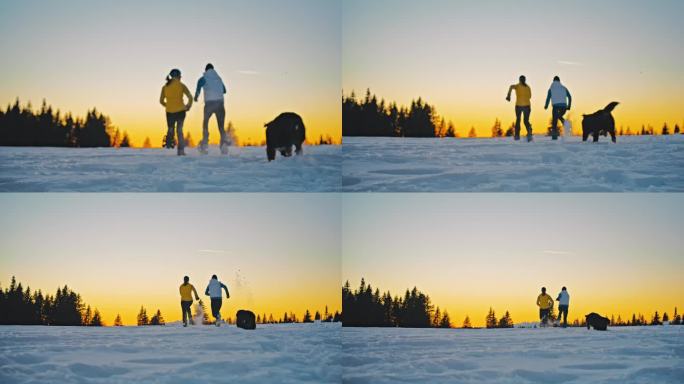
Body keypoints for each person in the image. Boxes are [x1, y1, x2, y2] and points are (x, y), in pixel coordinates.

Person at [194, 63, 229, 155]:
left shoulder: (203, 78)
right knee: (221, 126)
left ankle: (204, 144)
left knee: (205, 123)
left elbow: (198, 87)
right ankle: (223, 144)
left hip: (209, 104)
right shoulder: (219, 79)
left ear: (206, 70)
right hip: (220, 104)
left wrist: (196, 97)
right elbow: (224, 91)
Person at [160, 69, 193, 155]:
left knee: (171, 128)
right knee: (179, 130)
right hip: (181, 111)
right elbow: (190, 97)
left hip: (169, 112)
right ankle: (181, 151)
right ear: (178, 76)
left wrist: (168, 105)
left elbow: (161, 101)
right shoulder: (182, 85)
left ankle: (169, 140)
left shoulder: (165, 87)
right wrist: (188, 106)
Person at [544, 76, 572, 140]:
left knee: (554, 121)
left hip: (555, 107)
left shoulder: (551, 89)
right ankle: (565, 122)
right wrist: (569, 106)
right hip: (563, 107)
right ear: (559, 81)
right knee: (558, 116)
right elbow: (570, 97)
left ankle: (554, 137)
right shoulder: (564, 88)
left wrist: (546, 106)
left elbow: (548, 98)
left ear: (553, 81)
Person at [506, 75, 533, 141]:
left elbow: (511, 87)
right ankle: (529, 131)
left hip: (519, 105)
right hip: (527, 105)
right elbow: (530, 96)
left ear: (519, 80)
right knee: (526, 121)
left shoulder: (517, 86)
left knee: (518, 120)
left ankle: (517, 135)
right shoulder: (528, 87)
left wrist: (508, 95)